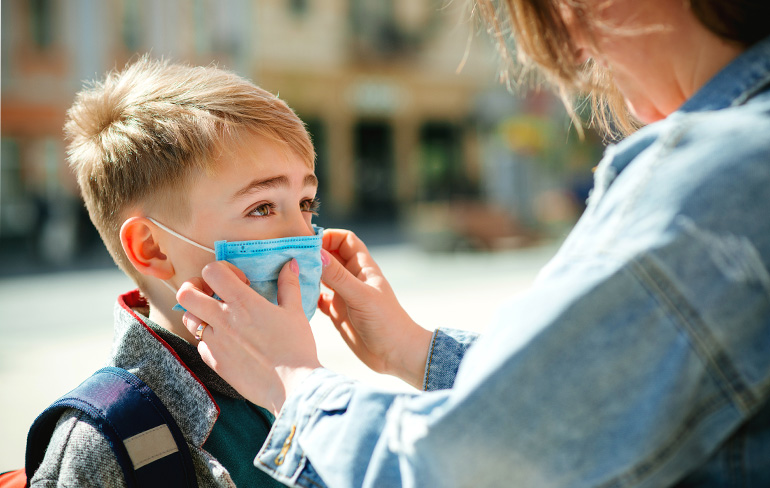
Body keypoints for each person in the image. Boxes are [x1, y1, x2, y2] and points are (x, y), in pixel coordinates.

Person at [178, 0, 770, 486]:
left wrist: (293, 379)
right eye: (261, 206)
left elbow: (465, 469)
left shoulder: (716, 174)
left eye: (559, 16)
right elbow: (583, 402)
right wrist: (412, 350)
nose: (578, 52)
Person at [31, 56, 324, 487]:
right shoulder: (107, 440)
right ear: (152, 248)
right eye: (262, 207)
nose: (305, 237)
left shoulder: (288, 377)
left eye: (306, 203)